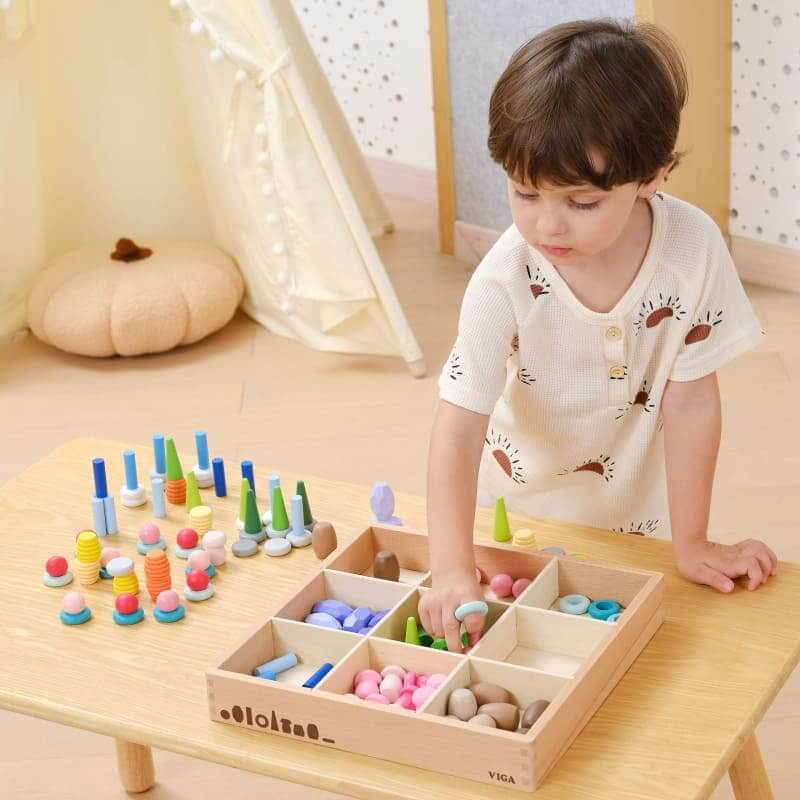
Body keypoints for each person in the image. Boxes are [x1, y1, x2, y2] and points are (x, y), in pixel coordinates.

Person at [420, 18, 778, 654]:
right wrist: (449, 566)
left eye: (581, 203)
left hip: (634, 518)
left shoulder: (693, 250)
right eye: (524, 193)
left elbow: (691, 399)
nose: (547, 225)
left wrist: (691, 542)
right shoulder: (503, 279)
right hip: (515, 520)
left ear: (654, 175)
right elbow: (459, 422)